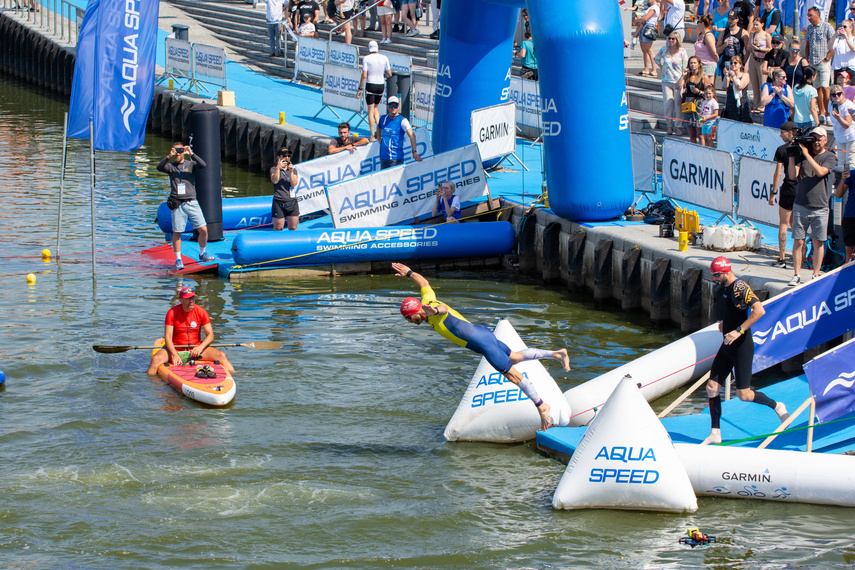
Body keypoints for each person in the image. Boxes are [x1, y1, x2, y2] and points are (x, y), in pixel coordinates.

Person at [391, 262, 571, 432]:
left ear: (416, 312)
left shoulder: (432, 307)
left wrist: (436, 311)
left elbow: (443, 309)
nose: (409, 322)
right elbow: (424, 283)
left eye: (408, 318)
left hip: (483, 344)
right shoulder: (427, 300)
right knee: (514, 357)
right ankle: (556, 354)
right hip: (483, 334)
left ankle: (541, 406)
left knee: (514, 376)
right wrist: (409, 273)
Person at [701, 257, 788, 445]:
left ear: (725, 272)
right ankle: (715, 432)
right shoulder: (724, 287)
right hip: (727, 345)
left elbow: (759, 310)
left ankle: (777, 406)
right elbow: (728, 307)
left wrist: (738, 330)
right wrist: (723, 321)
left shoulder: (740, 287)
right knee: (711, 387)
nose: (714, 279)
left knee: (744, 395)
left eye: (716, 275)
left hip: (741, 346)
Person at [787, 127, 836, 285]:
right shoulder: (802, 155)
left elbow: (821, 172)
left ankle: (815, 274)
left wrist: (807, 155)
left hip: (820, 206)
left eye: (819, 138)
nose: (816, 142)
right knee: (798, 241)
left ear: (825, 140)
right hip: (801, 204)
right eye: (813, 138)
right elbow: (793, 176)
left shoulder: (830, 156)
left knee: (818, 241)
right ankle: (796, 274)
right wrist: (793, 157)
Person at [147, 287, 235, 376]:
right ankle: (151, 384)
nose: (191, 300)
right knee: (156, 359)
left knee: (222, 355)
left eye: (193, 297)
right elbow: (168, 338)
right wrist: (174, 354)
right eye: (188, 298)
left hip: (195, 349)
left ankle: (234, 377)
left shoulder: (202, 312)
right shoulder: (172, 312)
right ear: (180, 299)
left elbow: (210, 335)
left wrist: (200, 348)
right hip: (176, 349)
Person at [157, 142, 213, 270]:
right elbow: (159, 168)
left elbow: (203, 164)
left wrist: (191, 153)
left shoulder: (191, 164)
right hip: (177, 203)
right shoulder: (171, 166)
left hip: (192, 202)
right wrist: (168, 156)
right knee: (177, 232)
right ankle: (178, 259)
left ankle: (202, 253)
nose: (178, 153)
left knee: (203, 229)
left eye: (180, 150)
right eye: (176, 150)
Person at [769, 122, 799, 268]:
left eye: (782, 132)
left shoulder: (781, 150)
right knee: (797, 226)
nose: (780, 135)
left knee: (783, 224)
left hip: (788, 188)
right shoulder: (802, 149)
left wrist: (773, 193)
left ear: (790, 133)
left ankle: (782, 259)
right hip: (801, 189)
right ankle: (800, 258)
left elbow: (778, 173)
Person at [804, 6, 835, 126]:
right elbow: (807, 45)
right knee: (817, 89)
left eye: (811, 15)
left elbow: (833, 45)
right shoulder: (809, 28)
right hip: (813, 62)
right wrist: (807, 60)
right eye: (808, 15)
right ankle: (821, 112)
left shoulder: (827, 26)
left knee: (825, 88)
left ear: (817, 14)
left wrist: (827, 58)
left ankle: (828, 113)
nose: (809, 18)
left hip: (823, 61)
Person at [655, 31, 689, 135]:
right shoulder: (664, 49)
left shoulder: (682, 51)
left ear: (677, 40)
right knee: (668, 104)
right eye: (669, 38)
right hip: (666, 80)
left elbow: (685, 67)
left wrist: (683, 79)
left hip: (678, 81)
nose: (670, 40)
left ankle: (678, 126)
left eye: (673, 39)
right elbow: (656, 59)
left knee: (678, 104)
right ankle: (669, 125)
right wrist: (662, 68)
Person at [357, 41, 392, 140]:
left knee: (370, 111)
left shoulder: (366, 58)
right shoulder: (384, 58)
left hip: (371, 85)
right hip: (381, 85)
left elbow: (364, 75)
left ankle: (372, 135)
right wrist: (382, 76)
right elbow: (389, 73)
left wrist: (360, 88)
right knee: (376, 108)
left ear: (369, 48)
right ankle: (380, 130)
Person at [376, 96, 422, 169]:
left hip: (395, 158)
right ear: (388, 107)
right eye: (391, 105)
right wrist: (379, 138)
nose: (393, 108)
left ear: (398, 107)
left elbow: (412, 135)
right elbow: (378, 127)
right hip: (383, 157)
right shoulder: (383, 118)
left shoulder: (402, 120)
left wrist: (414, 152)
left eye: (395, 106)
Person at [270, 147, 300, 231]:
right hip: (279, 201)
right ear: (278, 157)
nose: (286, 158)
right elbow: (275, 180)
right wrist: (278, 168)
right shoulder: (273, 169)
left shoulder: (293, 170)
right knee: (278, 227)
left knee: (293, 227)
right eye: (284, 156)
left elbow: (293, 183)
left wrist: (290, 171)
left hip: (292, 201)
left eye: (288, 156)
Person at [681, 56, 709, 144]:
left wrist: (699, 91)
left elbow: (710, 94)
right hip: (689, 104)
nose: (692, 65)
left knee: (700, 134)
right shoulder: (687, 77)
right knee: (692, 134)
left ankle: (701, 151)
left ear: (699, 64)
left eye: (694, 63)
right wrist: (683, 75)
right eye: (691, 63)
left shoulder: (704, 77)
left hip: (699, 105)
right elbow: (677, 86)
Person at [828, 84, 855, 171]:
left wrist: (839, 118)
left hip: (850, 137)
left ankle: (850, 182)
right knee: (841, 162)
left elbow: (847, 125)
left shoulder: (848, 105)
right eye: (833, 95)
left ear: (842, 94)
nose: (836, 96)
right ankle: (841, 182)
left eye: (839, 94)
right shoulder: (831, 104)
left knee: (850, 162)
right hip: (839, 136)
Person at [748, 18, 772, 110]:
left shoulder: (766, 35)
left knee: (762, 82)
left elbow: (770, 48)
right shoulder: (752, 34)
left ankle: (763, 105)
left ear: (762, 24)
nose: (755, 26)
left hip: (762, 59)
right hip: (753, 58)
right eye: (754, 24)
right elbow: (748, 47)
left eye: (757, 24)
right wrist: (752, 45)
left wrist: (760, 49)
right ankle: (756, 104)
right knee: (754, 83)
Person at [716, 11, 748, 78]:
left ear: (737, 19)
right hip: (726, 63)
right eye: (729, 18)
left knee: (738, 85)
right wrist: (725, 45)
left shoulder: (743, 33)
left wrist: (743, 63)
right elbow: (717, 51)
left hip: (738, 63)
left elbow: (748, 50)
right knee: (726, 85)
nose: (730, 21)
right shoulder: (723, 32)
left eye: (732, 19)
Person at [722, 56, 752, 124]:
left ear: (740, 65)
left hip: (741, 102)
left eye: (735, 63)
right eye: (731, 63)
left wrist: (734, 77)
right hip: (730, 102)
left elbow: (740, 87)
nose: (733, 65)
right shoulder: (730, 75)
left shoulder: (745, 75)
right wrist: (726, 76)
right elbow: (724, 87)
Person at [835, 164, 855, 263]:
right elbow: (838, 194)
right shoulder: (852, 174)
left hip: (850, 216)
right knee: (848, 250)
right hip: (850, 216)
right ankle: (847, 275)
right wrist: (843, 179)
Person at [635, 0, 660, 77]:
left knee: (649, 50)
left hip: (649, 28)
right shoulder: (650, 7)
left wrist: (638, 20)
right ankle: (646, 69)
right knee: (644, 50)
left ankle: (654, 70)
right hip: (644, 27)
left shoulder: (655, 7)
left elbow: (646, 18)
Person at [831, 19, 855, 85]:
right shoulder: (838, 39)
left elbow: (854, 49)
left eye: (845, 27)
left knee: (851, 91)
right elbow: (829, 47)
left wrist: (846, 37)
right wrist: (835, 35)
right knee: (838, 90)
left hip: (851, 69)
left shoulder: (853, 39)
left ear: (851, 28)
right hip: (839, 68)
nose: (843, 28)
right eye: (841, 26)